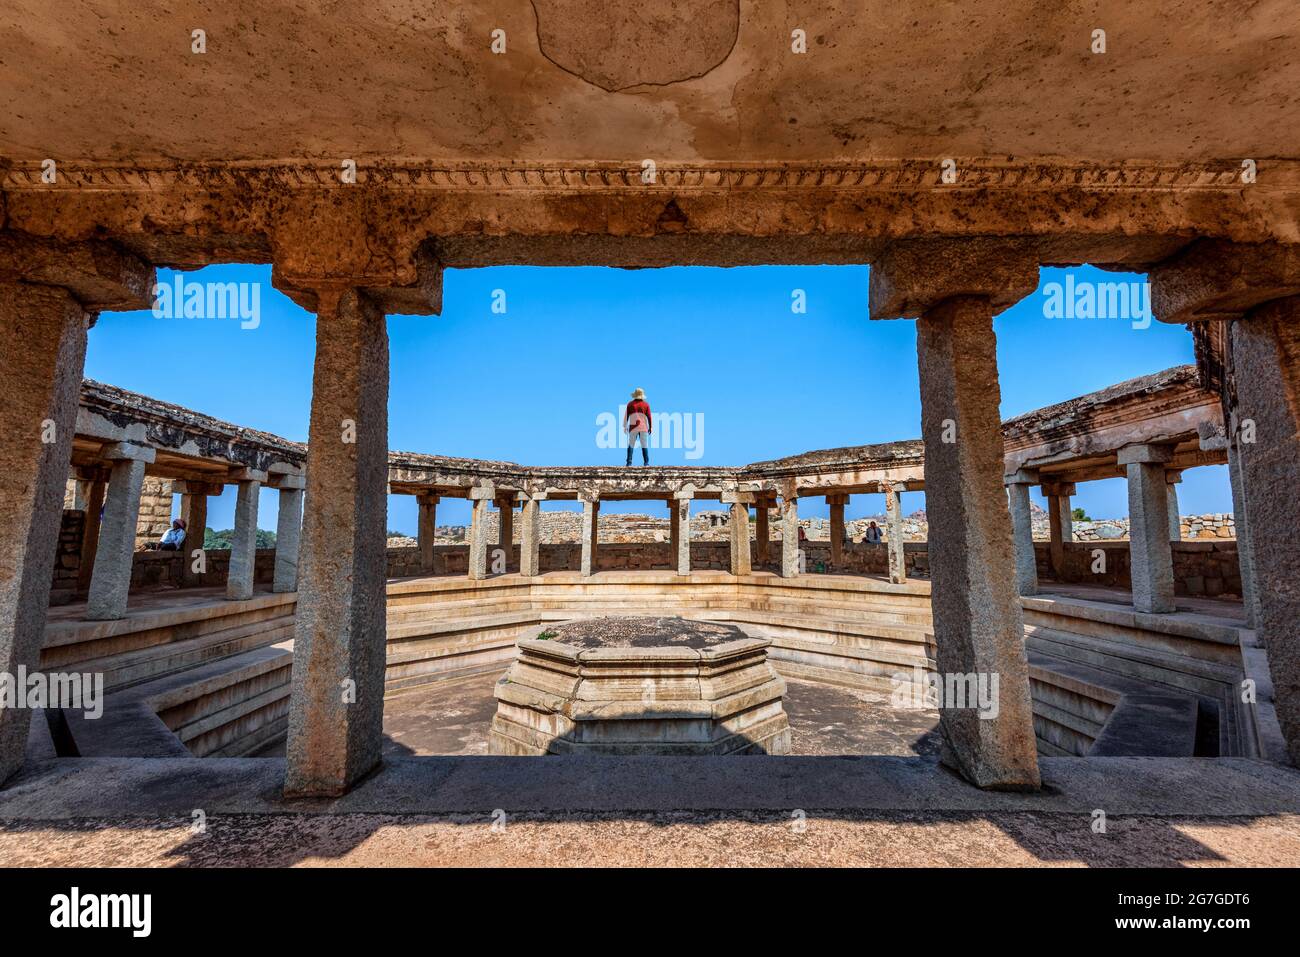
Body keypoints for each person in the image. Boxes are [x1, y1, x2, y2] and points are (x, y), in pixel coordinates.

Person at [624, 387, 652, 466]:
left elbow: (627, 416)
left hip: (633, 427)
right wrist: (651, 427)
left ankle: (629, 463)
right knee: (644, 445)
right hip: (643, 428)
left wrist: (625, 426)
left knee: (631, 445)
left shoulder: (630, 404)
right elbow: (649, 416)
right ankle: (646, 463)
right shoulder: (646, 405)